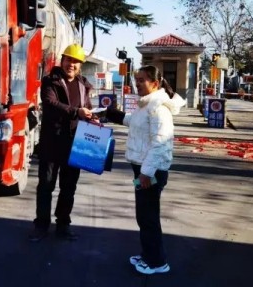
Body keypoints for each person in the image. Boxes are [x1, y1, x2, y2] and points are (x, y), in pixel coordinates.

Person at [106, 65, 186, 275]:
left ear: (155, 83)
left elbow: (160, 143)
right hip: (143, 170)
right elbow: (134, 121)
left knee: (149, 217)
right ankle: (148, 254)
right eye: (136, 80)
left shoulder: (158, 109)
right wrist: (111, 114)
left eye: (142, 80)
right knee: (144, 215)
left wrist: (146, 173)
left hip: (151, 172)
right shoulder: (146, 105)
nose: (137, 84)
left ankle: (157, 262)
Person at [29, 44, 94, 242]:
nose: (71, 64)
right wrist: (76, 112)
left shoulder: (83, 84)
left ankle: (63, 225)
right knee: (46, 186)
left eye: (75, 62)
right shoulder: (50, 81)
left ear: (80, 65)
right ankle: (41, 225)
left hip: (75, 143)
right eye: (68, 60)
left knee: (69, 187)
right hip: (52, 142)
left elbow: (87, 107)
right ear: (62, 60)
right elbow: (50, 104)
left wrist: (92, 116)